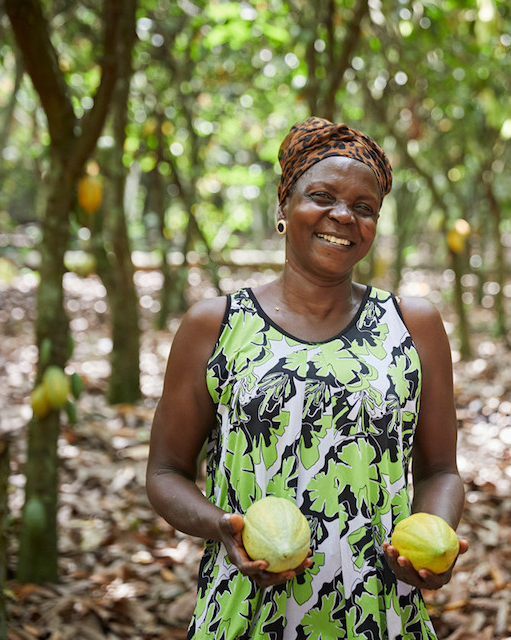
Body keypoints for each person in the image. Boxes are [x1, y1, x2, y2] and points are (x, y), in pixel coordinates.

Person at [146, 116, 468, 640]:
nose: (343, 216)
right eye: (322, 196)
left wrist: (434, 545)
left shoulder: (414, 324)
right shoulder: (217, 324)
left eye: (364, 208)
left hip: (377, 609)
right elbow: (164, 472)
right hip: (247, 611)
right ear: (284, 207)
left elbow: (439, 472)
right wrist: (223, 529)